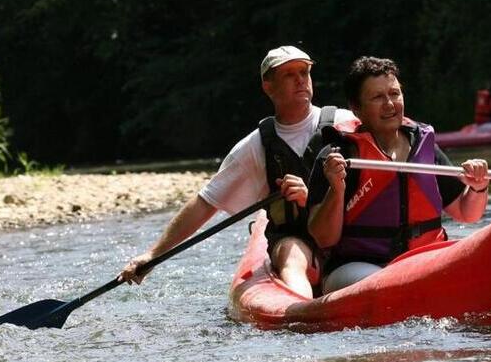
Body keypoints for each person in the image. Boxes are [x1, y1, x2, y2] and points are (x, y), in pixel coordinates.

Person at [117, 45, 356, 298]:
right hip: (296, 239)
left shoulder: (344, 123)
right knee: (291, 252)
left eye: (303, 72)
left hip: (349, 233)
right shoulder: (254, 147)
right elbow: (205, 203)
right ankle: (303, 310)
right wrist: (154, 255)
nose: (299, 80)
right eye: (288, 75)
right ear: (268, 86)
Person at [307, 56, 490, 294]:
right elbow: (324, 239)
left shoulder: (423, 145)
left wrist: (478, 187)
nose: (390, 104)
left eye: (394, 94)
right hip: (359, 267)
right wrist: (337, 189)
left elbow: (467, 213)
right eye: (377, 97)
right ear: (356, 108)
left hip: (424, 260)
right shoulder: (338, 156)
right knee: (392, 285)